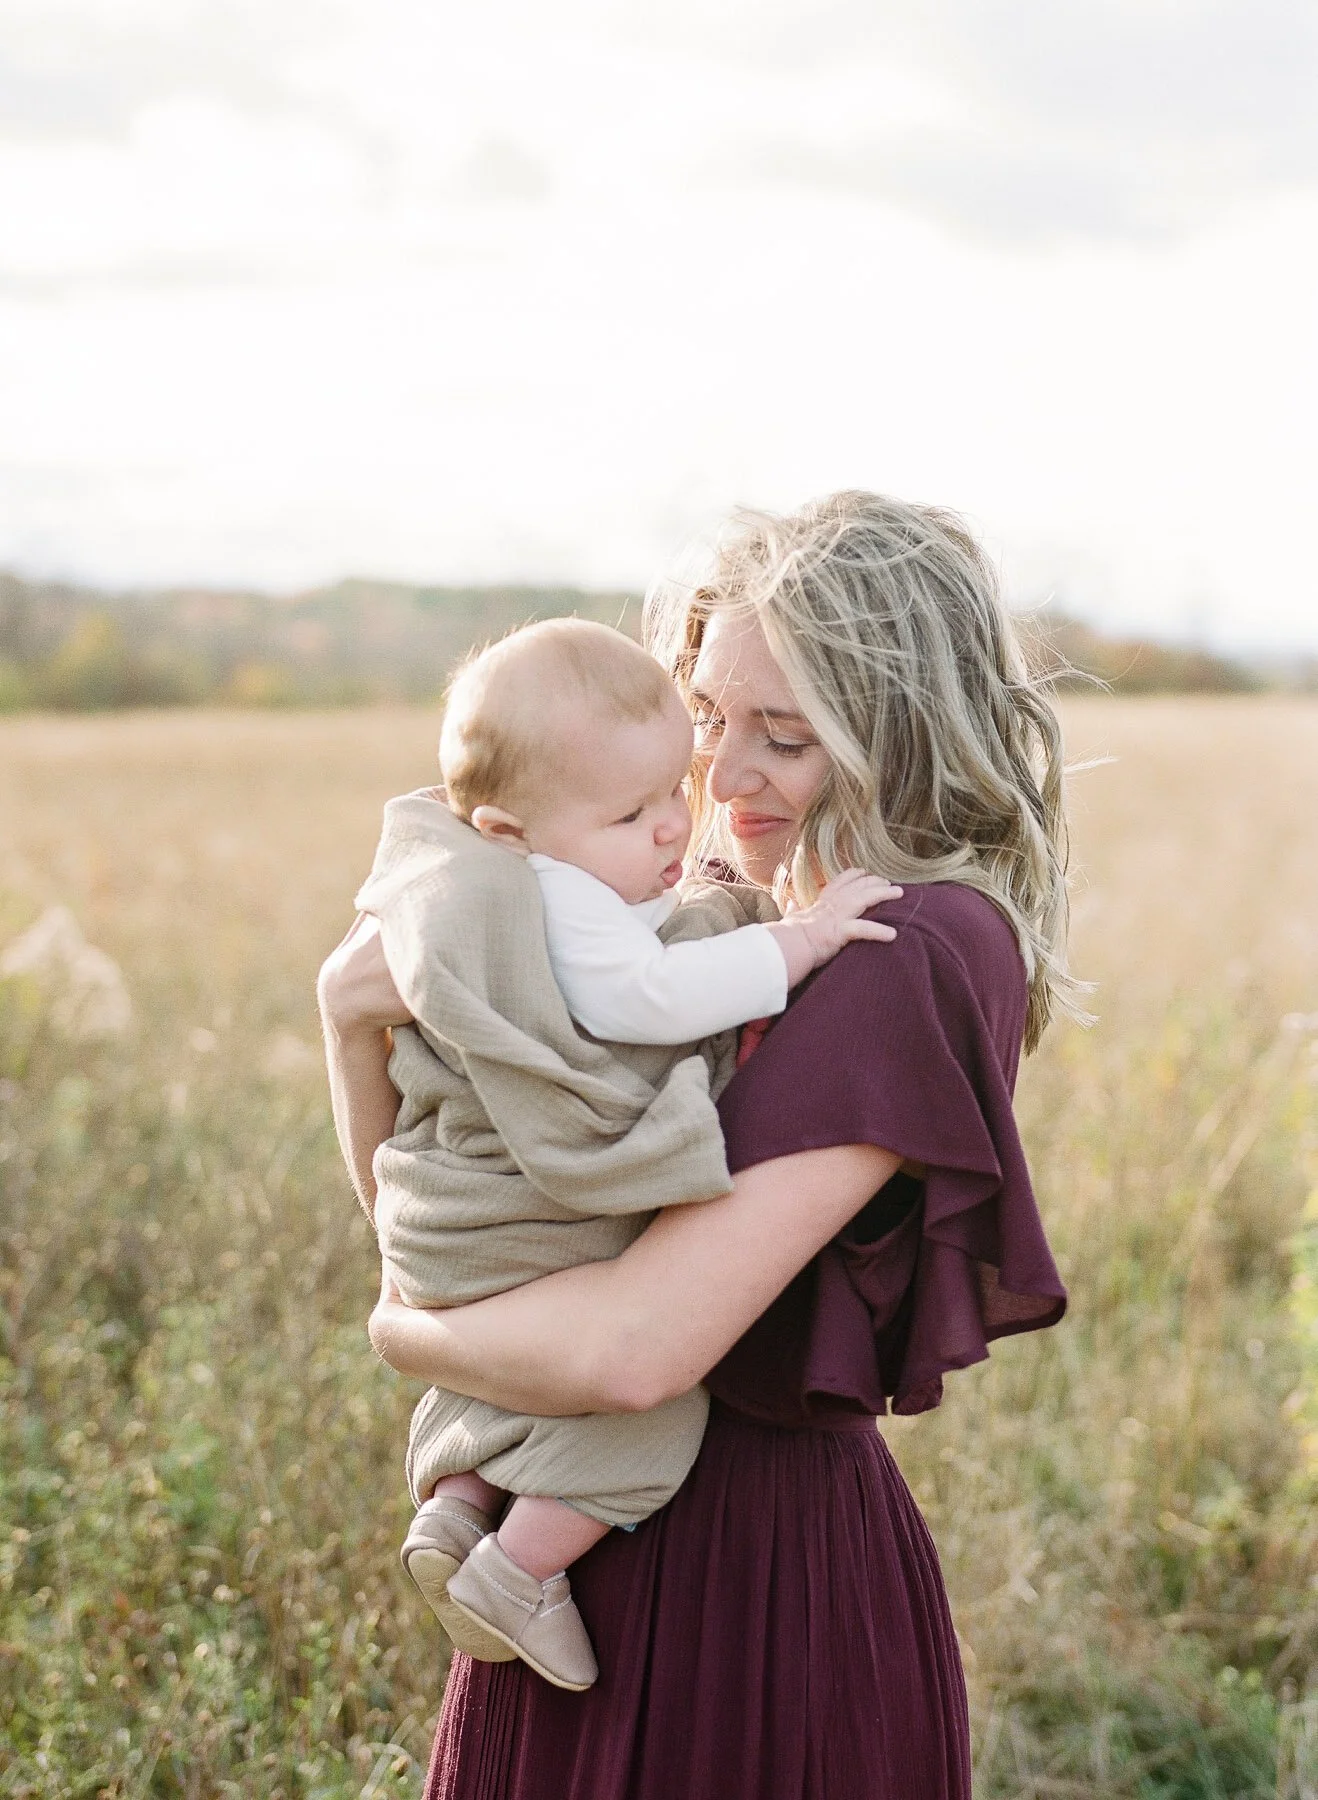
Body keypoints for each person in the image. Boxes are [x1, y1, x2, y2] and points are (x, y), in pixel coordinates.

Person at [319, 490, 1078, 1800]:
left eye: (781, 737)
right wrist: (348, 1026)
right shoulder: (698, 928)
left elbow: (632, 1351)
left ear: (897, 733)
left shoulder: (917, 951)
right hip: (561, 1553)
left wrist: (402, 1330)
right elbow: (447, 1213)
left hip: (751, 1584)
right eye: (707, 722)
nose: (720, 780)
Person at [354, 617, 896, 1690]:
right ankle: (520, 1569)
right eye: (630, 814)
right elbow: (644, 996)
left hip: (441, 1227)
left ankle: (458, 1509)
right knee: (643, 1420)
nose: (671, 830)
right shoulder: (549, 898)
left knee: (508, 1385)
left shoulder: (501, 873)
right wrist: (800, 940)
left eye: (668, 796)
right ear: (509, 828)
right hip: (505, 1219)